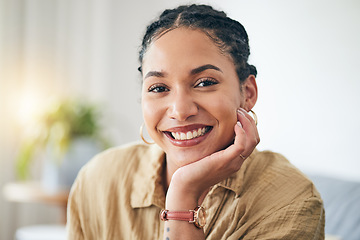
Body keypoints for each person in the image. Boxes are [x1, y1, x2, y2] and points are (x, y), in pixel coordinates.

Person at [67, 4, 325, 240]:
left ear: (248, 93)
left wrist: (183, 194)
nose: (180, 110)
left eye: (205, 83)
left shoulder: (291, 200)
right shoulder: (98, 180)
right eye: (158, 88)